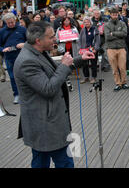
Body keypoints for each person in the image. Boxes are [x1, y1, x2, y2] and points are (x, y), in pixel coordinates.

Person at [13, 21, 95, 168]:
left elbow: (54, 70)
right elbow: (48, 88)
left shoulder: (37, 52)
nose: (55, 39)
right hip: (45, 125)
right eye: (51, 37)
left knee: (41, 161)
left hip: (46, 123)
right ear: (38, 40)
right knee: (63, 162)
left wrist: (80, 59)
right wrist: (64, 65)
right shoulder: (27, 61)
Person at [0, 13, 27, 104]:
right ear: (5, 23)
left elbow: (30, 41)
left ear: (15, 20)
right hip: (9, 57)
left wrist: (24, 44)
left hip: (22, 56)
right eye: (8, 23)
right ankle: (16, 94)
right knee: (12, 77)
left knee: (24, 75)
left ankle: (25, 94)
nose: (11, 24)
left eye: (12, 22)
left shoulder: (22, 29)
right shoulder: (2, 31)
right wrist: (3, 49)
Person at [104, 8, 129, 91]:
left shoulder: (122, 23)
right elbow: (107, 36)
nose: (115, 16)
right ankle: (118, 83)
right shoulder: (107, 25)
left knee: (122, 67)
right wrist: (119, 35)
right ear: (110, 15)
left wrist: (113, 33)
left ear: (118, 14)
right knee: (114, 68)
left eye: (116, 14)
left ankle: (124, 83)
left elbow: (125, 34)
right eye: (113, 14)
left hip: (121, 48)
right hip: (110, 49)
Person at [78, 17, 101, 84]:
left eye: (87, 22)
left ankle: (94, 77)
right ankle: (86, 77)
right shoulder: (82, 30)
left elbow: (98, 40)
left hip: (92, 49)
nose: (86, 23)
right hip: (84, 49)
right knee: (84, 64)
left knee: (93, 64)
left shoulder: (95, 29)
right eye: (84, 22)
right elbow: (79, 40)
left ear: (90, 22)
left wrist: (96, 49)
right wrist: (80, 49)